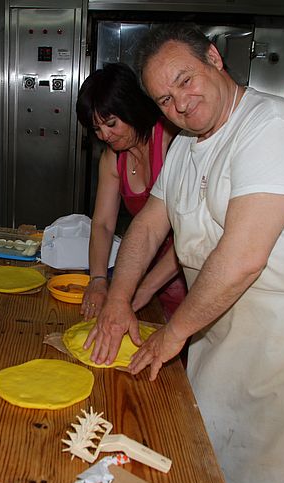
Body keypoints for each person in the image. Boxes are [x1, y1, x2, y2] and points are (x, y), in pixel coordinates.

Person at [86, 24, 284, 483]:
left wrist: (172, 333)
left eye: (185, 81)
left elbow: (243, 258)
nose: (180, 104)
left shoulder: (273, 127)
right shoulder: (187, 145)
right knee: (206, 453)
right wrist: (119, 298)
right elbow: (148, 226)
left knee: (264, 480)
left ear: (213, 57)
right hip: (219, 321)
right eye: (164, 99)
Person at [75, 63, 185, 320]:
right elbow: (103, 224)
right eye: (97, 129)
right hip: (143, 268)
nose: (105, 135)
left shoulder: (172, 141)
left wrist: (143, 289)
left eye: (111, 123)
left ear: (131, 108)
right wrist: (98, 280)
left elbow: (189, 237)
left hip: (185, 272)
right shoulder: (113, 158)